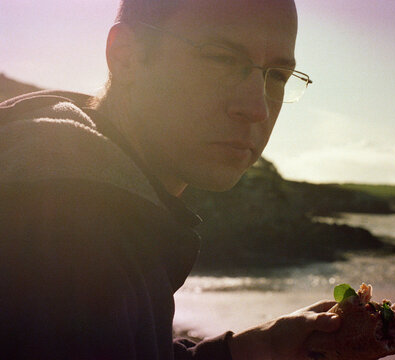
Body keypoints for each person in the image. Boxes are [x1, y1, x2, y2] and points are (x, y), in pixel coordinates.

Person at [0, 0, 341, 359]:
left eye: (277, 76)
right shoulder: (67, 233)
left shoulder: (98, 200)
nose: (257, 108)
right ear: (126, 55)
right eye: (221, 59)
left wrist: (249, 351)